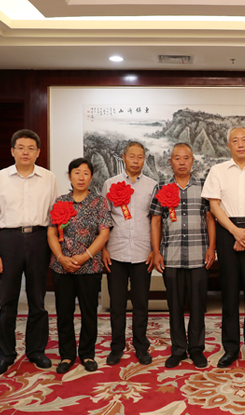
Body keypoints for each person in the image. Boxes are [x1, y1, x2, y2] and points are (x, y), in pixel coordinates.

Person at [0, 129, 61, 376]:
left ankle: (36, 351)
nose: (26, 152)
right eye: (21, 148)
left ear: (38, 152)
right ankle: (5, 354)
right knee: (7, 301)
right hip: (9, 240)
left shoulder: (49, 178)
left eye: (31, 148)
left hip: (39, 239)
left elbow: (57, 216)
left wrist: (56, 249)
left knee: (38, 299)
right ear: (12, 151)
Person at [202, 126, 245, 369]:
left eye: (244, 140)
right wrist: (234, 232)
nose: (240, 144)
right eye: (235, 140)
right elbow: (214, 205)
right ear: (228, 145)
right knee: (229, 293)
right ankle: (230, 349)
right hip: (227, 231)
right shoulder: (218, 171)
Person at [149, 143, 216, 369]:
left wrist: (212, 248)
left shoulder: (204, 186)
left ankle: (196, 349)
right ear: (170, 162)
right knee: (175, 306)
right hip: (171, 256)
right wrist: (156, 252)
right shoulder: (162, 187)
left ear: (192, 161)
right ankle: (178, 349)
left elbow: (210, 218)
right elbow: (155, 221)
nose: (181, 162)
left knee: (198, 306)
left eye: (186, 158)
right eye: (177, 158)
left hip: (198, 256)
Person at [48, 158, 112, 374]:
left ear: (91, 177)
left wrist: (85, 257)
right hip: (62, 267)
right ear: (69, 176)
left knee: (89, 313)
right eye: (77, 172)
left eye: (86, 173)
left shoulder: (99, 202)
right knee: (64, 312)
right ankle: (67, 355)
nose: (81, 177)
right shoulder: (61, 201)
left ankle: (87, 354)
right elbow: (51, 232)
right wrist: (61, 258)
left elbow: (104, 233)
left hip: (90, 267)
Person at [102, 141, 157, 366]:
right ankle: (117, 347)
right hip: (115, 252)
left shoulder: (152, 185)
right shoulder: (110, 184)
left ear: (144, 159)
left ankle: (141, 345)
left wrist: (154, 250)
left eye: (140, 157)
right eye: (132, 156)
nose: (136, 161)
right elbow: (104, 219)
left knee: (141, 303)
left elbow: (155, 221)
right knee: (117, 304)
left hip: (143, 253)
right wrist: (103, 249)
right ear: (123, 158)